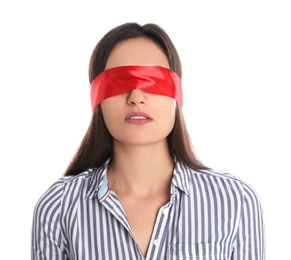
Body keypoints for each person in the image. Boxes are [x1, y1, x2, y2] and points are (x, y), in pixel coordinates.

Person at [31, 22, 265, 260]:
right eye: (120, 82)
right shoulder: (58, 206)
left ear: (177, 95)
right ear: (97, 98)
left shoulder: (236, 201)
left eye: (153, 81)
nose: (136, 98)